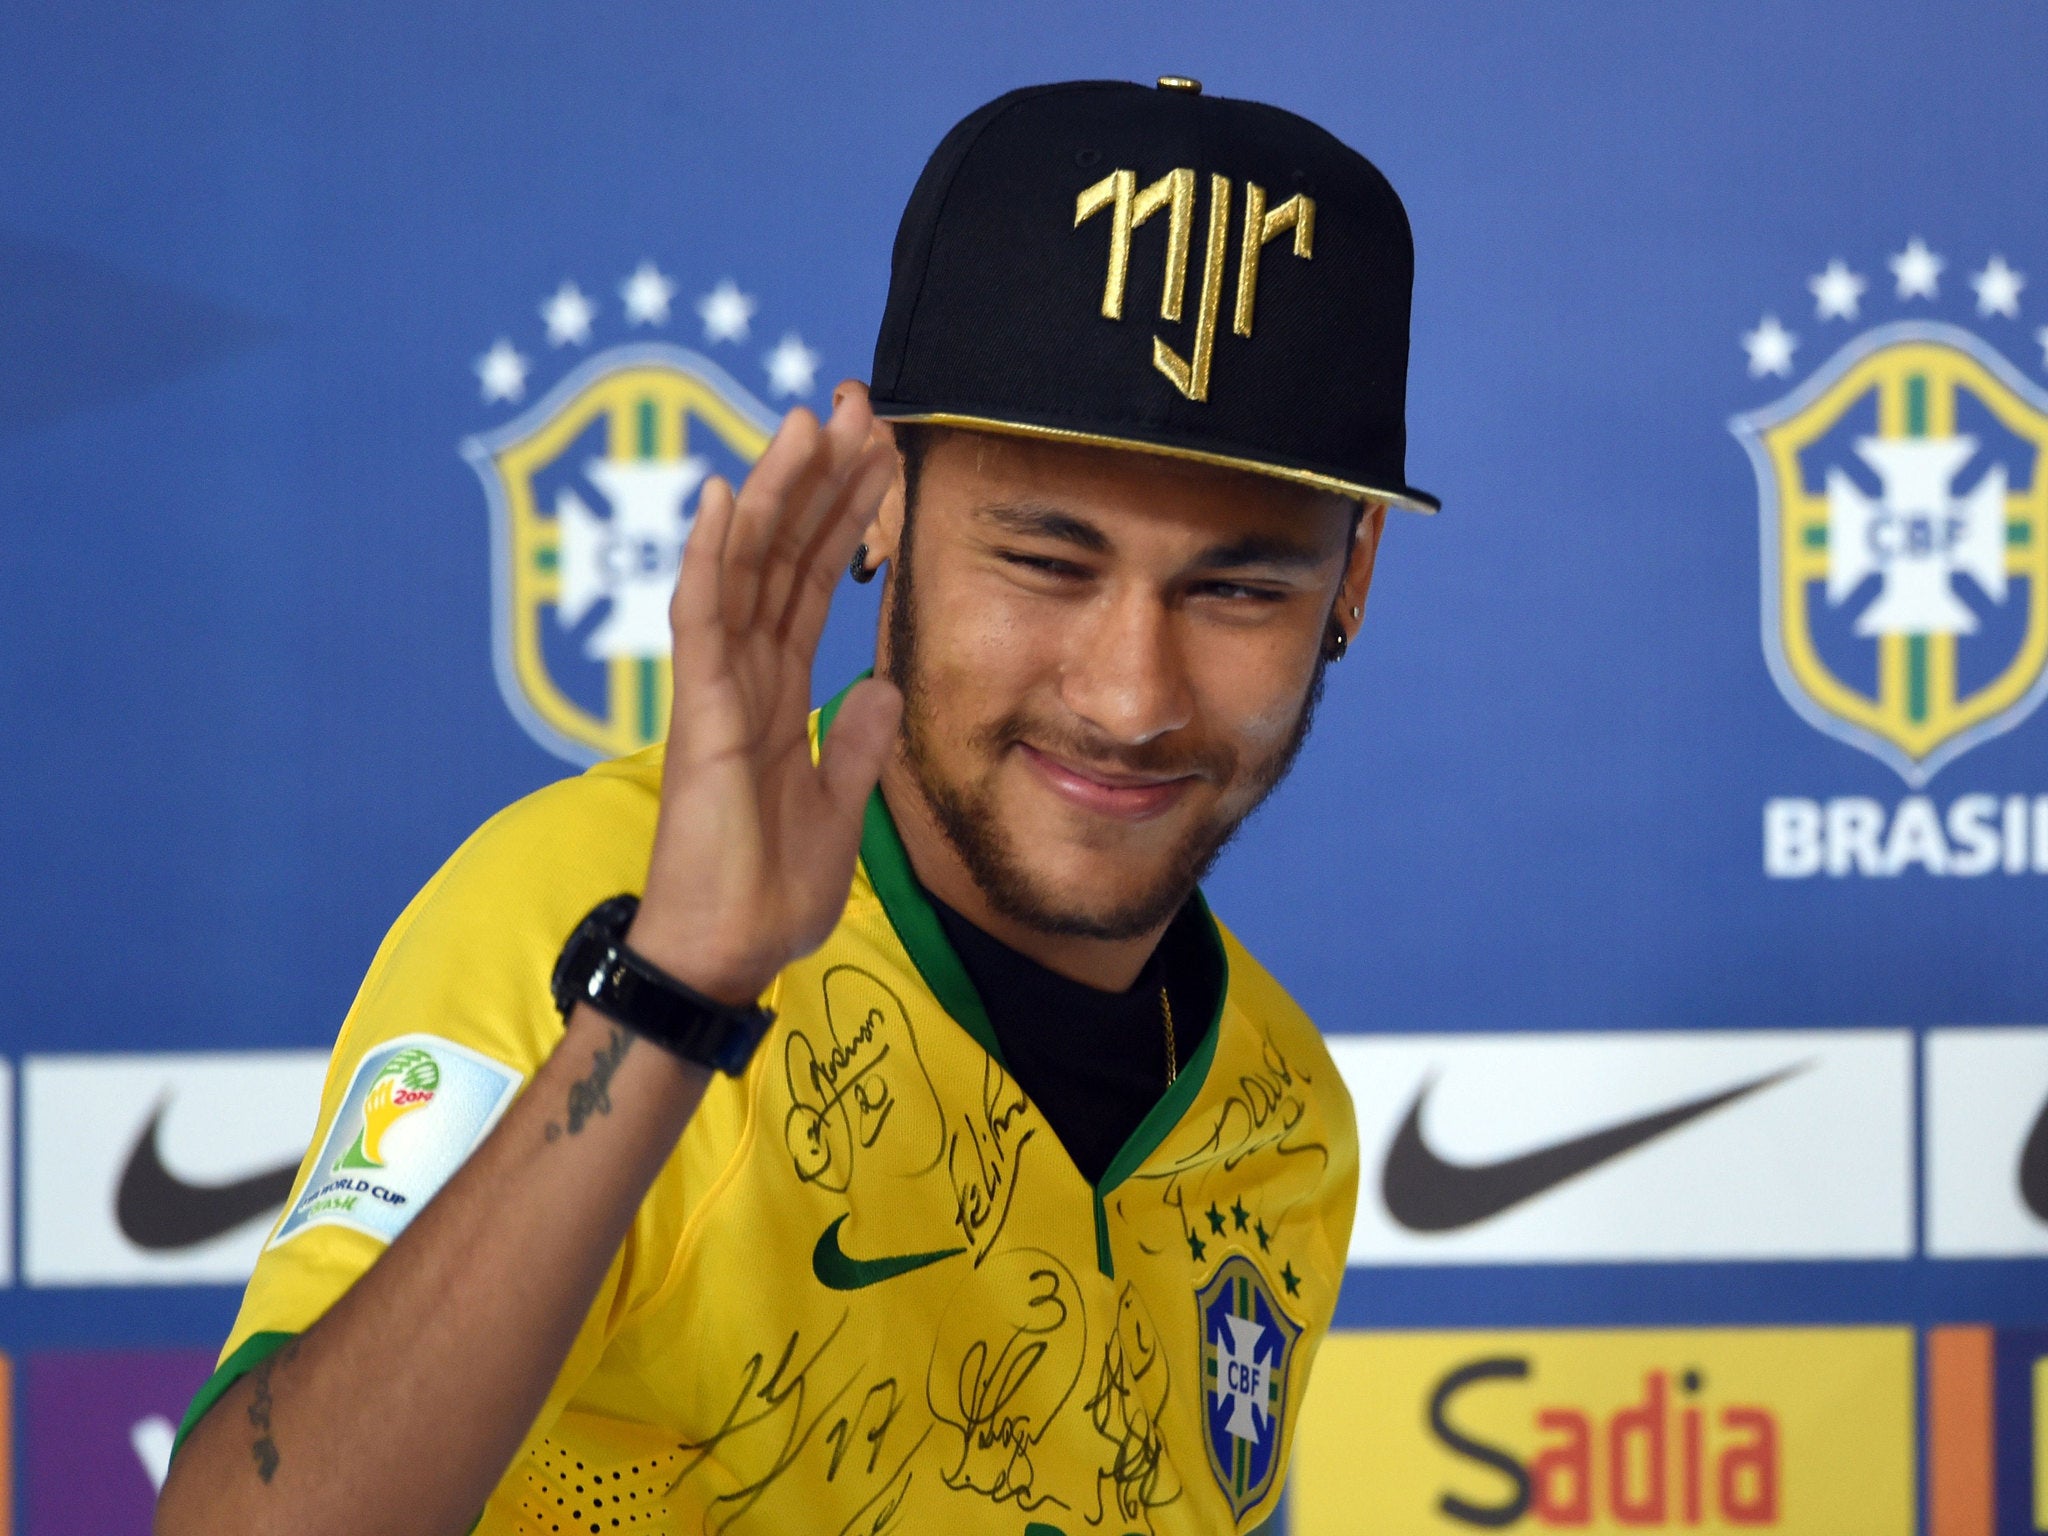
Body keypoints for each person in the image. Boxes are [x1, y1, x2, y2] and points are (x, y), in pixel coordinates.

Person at [155, 75, 1437, 1536]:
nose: (1129, 694)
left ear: (1354, 581)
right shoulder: (581, 913)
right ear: (881, 496)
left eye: (1236, 588)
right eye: (1046, 562)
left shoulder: (1283, 1116)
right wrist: (672, 999)